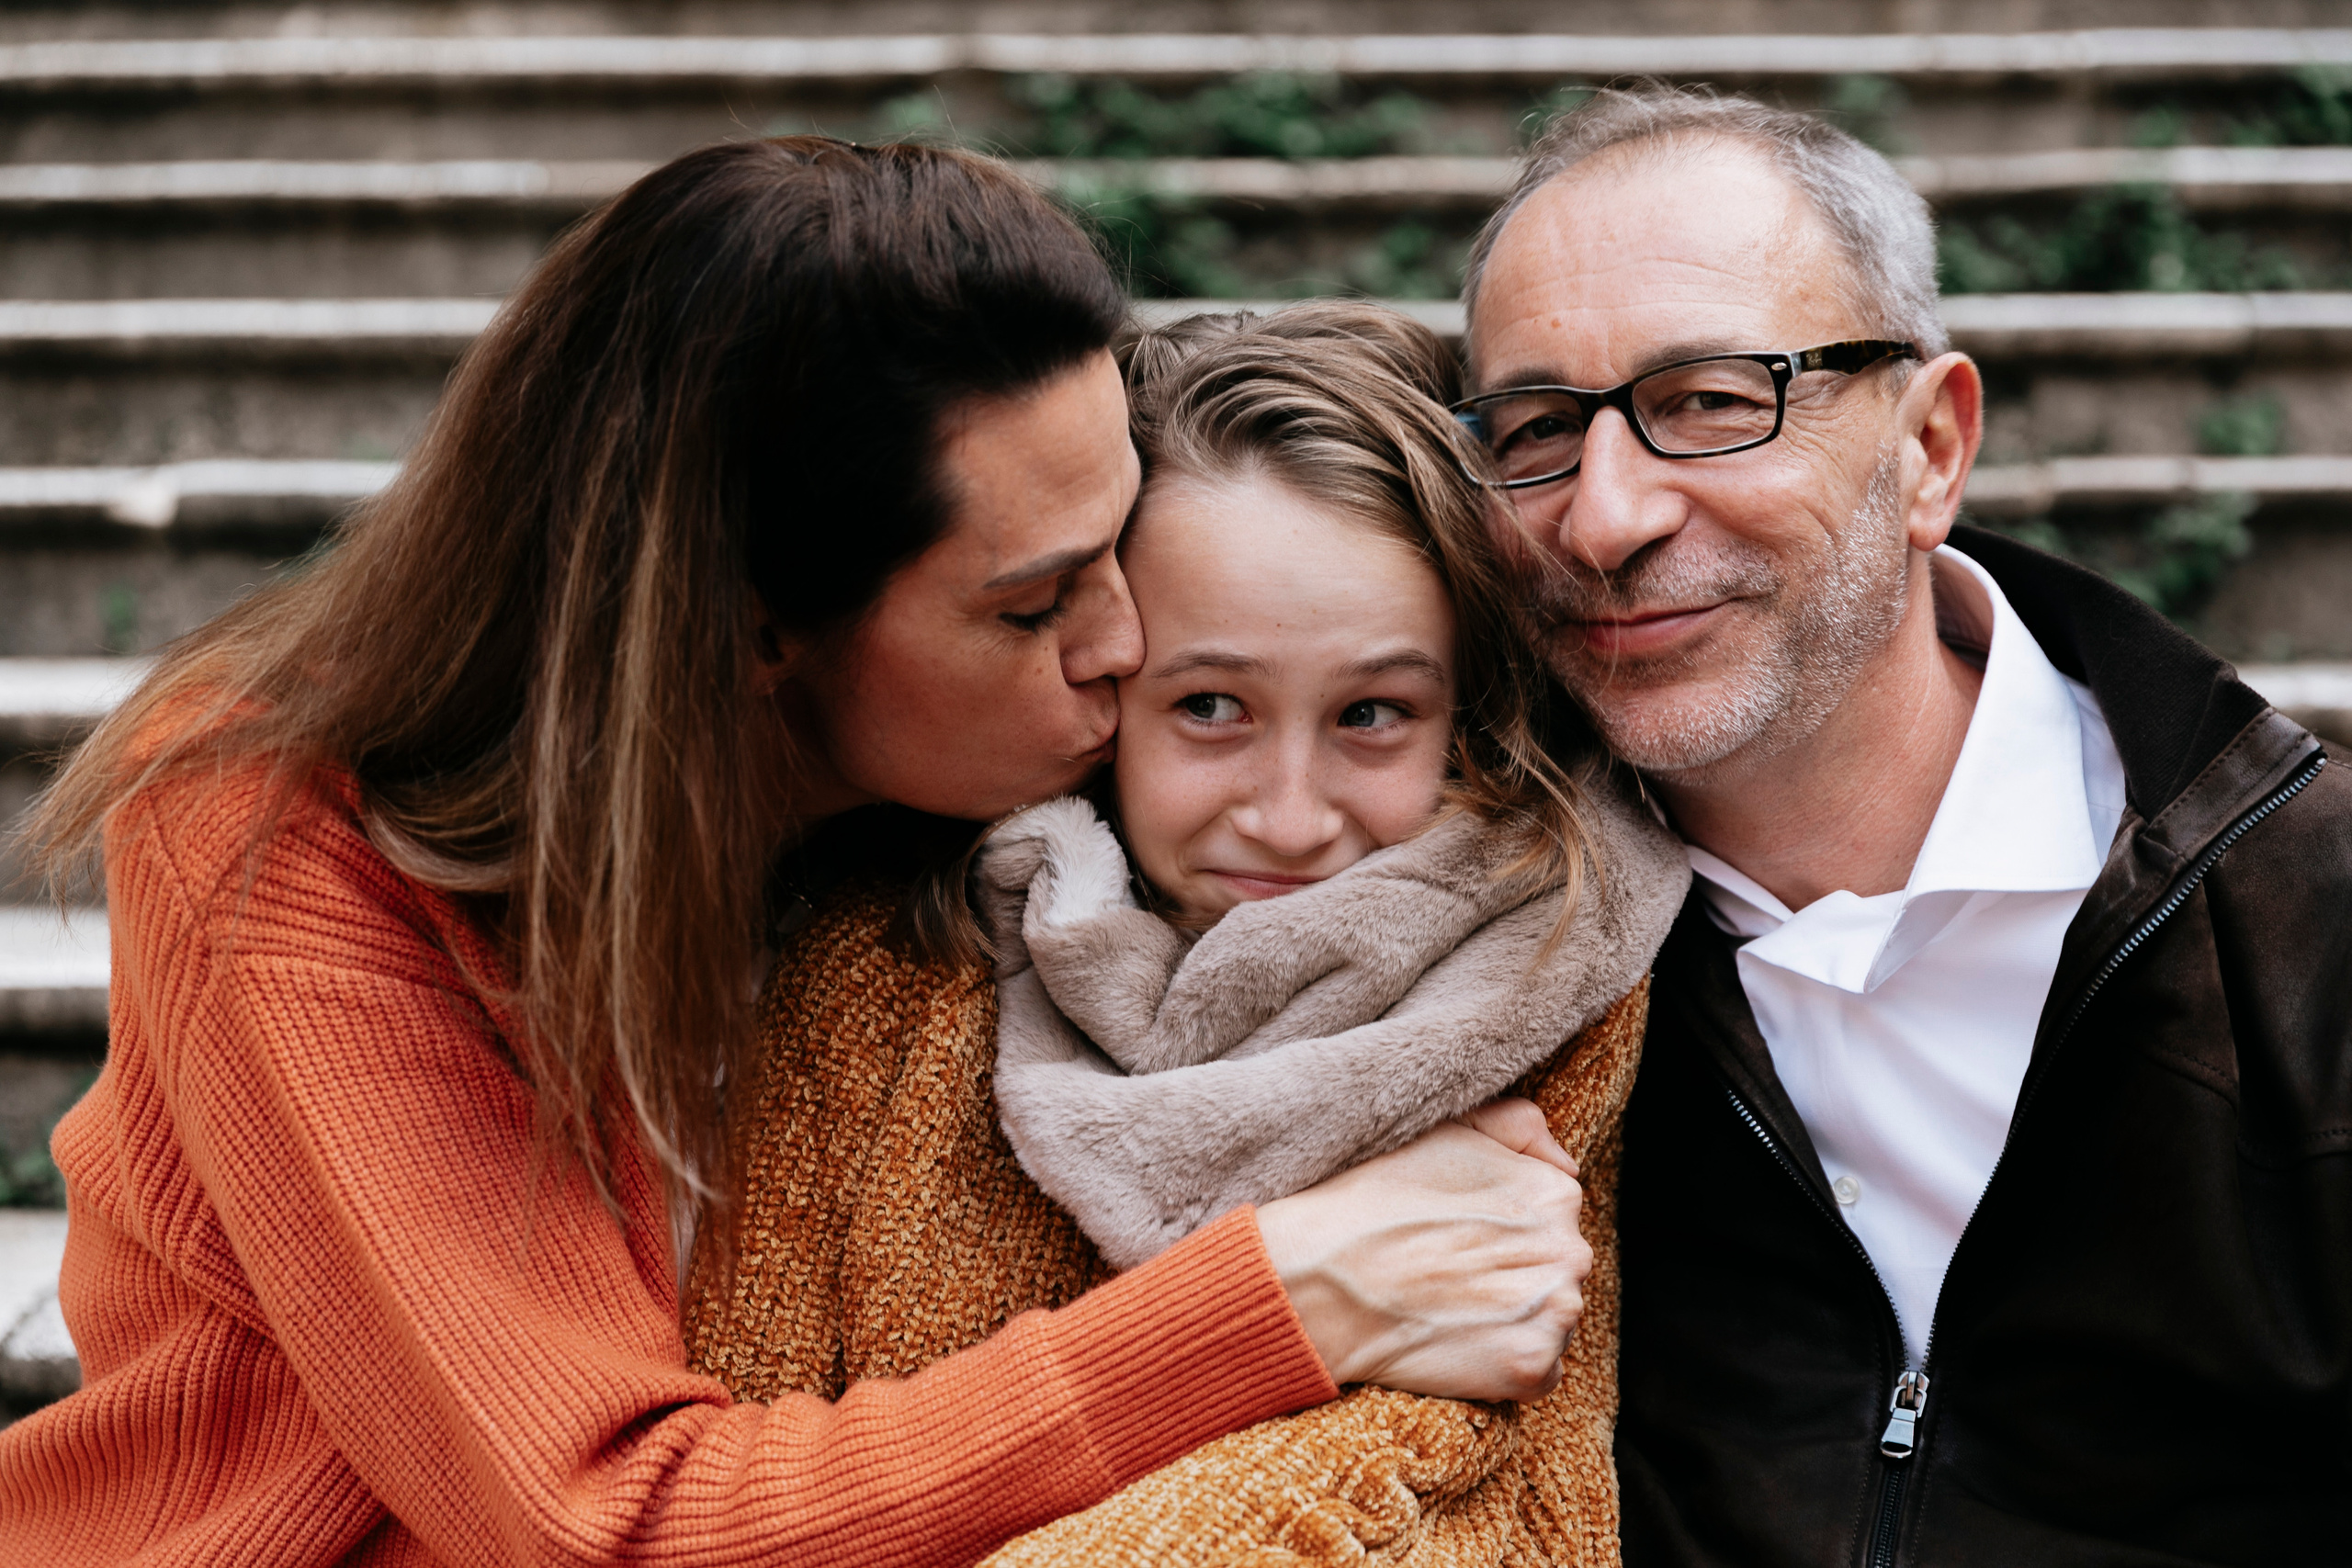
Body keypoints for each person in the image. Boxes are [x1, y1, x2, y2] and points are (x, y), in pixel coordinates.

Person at [0, 139, 1595, 1566]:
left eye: (1116, 543)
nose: (1123, 645)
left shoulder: (986, 804)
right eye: (1033, 604)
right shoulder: (285, 849)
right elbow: (607, 1526)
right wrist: (1292, 1294)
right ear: (756, 635)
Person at [1454, 86, 2349, 1566]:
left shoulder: (2306, 930)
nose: (1605, 518)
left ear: (1931, 446)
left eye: (1712, 402)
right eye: (1540, 427)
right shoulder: (1461, 948)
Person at [684, 302, 1688, 1565]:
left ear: (1467, 719)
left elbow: (1464, 1476)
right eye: (1210, 706)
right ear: (1105, 678)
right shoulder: (885, 984)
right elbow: (743, 1454)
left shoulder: (1534, 980)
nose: (1287, 815)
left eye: (1374, 713)